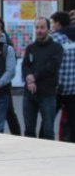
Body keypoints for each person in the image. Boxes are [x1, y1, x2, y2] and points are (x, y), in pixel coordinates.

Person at [22, 17, 62, 140]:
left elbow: (51, 67)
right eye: (37, 27)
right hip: (29, 93)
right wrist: (28, 78)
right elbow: (25, 65)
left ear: (49, 29)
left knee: (48, 131)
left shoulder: (56, 48)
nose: (39, 30)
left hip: (47, 94)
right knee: (29, 130)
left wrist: (34, 77)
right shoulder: (31, 48)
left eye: (42, 27)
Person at [50, 12, 75, 143]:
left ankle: (44, 142)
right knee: (73, 121)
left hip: (57, 87)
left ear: (58, 23)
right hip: (73, 89)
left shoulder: (54, 38)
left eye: (52, 23)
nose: (52, 25)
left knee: (48, 120)